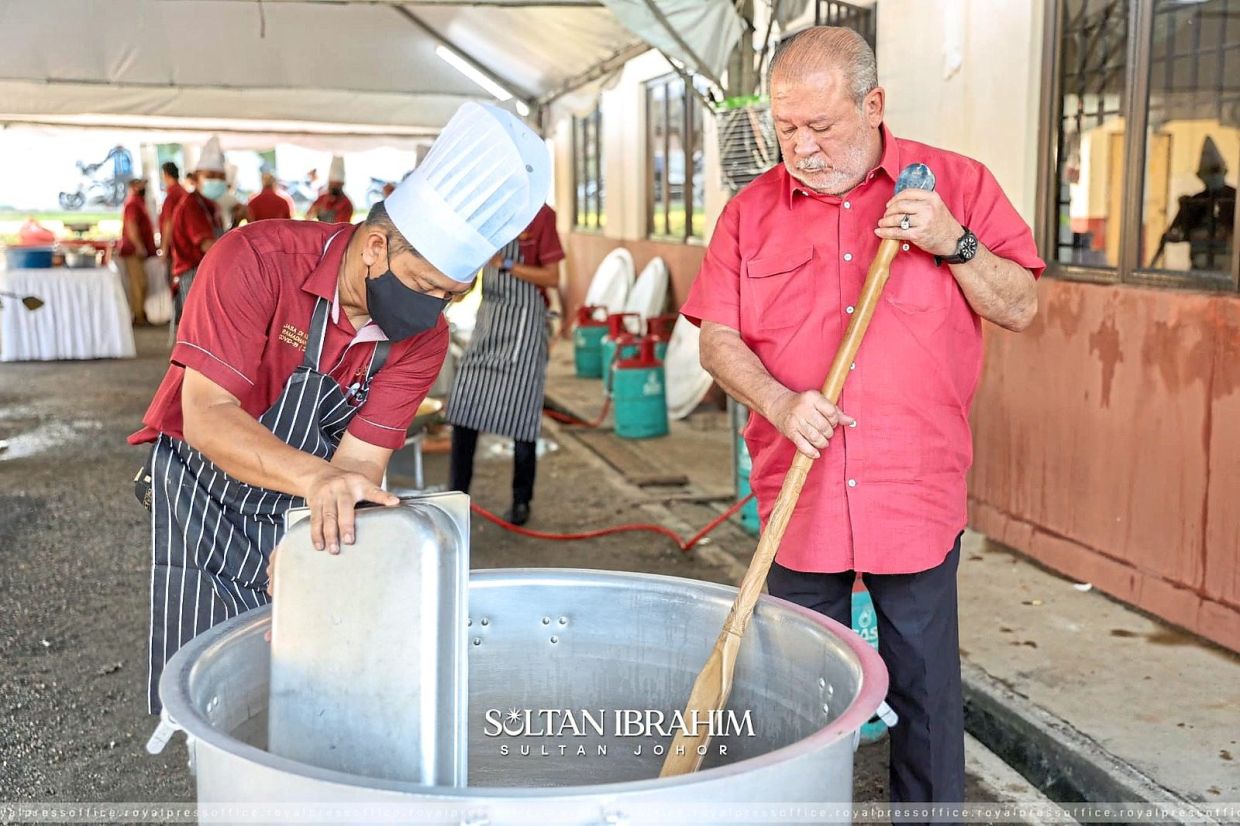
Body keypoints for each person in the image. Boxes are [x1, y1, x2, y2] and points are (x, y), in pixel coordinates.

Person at [680, 27, 1042, 811]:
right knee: (797, 704)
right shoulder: (750, 211)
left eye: (822, 126)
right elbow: (717, 338)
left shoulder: (956, 186)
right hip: (800, 496)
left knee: (927, 699)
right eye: (787, 129)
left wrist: (954, 242)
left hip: (912, 491)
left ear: (873, 105)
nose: (803, 148)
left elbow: (1021, 304)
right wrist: (778, 401)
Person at [129, 102, 549, 714]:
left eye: (451, 297)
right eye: (428, 287)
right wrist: (319, 480)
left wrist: (306, 548)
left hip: (311, 496)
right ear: (375, 246)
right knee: (213, 686)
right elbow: (208, 414)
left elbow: (359, 465)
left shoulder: (423, 339)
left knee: (305, 678)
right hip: (206, 491)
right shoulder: (254, 262)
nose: (433, 313)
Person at [446, 204, 564, 525]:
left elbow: (552, 277)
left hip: (526, 323)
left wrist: (506, 264)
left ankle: (521, 500)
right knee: (464, 407)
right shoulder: (487, 214)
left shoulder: (541, 216)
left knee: (522, 415)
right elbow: (469, 278)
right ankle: (455, 498)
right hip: (490, 320)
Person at [169, 135, 227, 323]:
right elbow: (208, 245)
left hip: (209, 270)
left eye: (220, 177)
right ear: (196, 178)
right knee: (198, 325)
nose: (216, 181)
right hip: (194, 272)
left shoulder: (210, 205)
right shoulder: (191, 206)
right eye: (210, 176)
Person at [1156, 136, 1235, 271]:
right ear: (1200, 176)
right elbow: (1177, 234)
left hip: (1229, 271)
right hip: (1199, 269)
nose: (1213, 176)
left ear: (1225, 171)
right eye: (1207, 172)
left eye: (1216, 170)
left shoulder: (1234, 199)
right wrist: (1184, 214)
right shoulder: (1194, 202)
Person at [118, 178, 157, 325]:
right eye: (141, 185)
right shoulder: (133, 203)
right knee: (138, 283)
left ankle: (141, 314)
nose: (144, 188)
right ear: (134, 186)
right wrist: (139, 246)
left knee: (141, 282)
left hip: (137, 250)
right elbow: (131, 226)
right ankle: (138, 316)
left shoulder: (138, 202)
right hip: (133, 251)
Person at [306, 155, 354, 223]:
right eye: (332, 184)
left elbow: (342, 226)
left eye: (337, 185)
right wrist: (314, 211)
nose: (333, 187)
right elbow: (308, 217)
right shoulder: (322, 198)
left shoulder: (346, 203)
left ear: (342, 184)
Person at [157, 161, 187, 262]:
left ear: (166, 174)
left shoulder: (172, 196)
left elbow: (168, 223)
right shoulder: (183, 192)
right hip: (184, 246)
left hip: (175, 248)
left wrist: (164, 249)